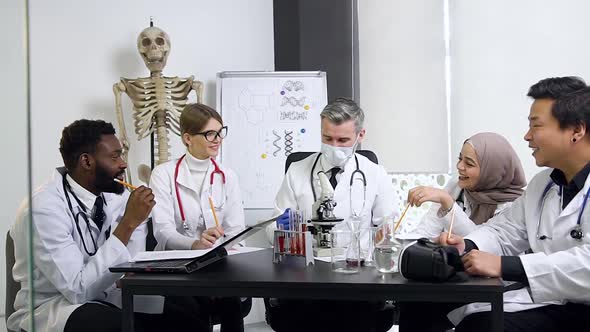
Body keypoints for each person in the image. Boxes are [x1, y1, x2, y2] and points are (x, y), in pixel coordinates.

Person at [400, 76, 590, 332]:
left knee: (483, 326)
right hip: (546, 298)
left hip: (581, 308)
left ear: (577, 130)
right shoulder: (543, 184)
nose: (527, 136)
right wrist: (466, 245)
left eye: (536, 126)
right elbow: (505, 230)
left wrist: (504, 265)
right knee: (421, 306)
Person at [7, 119, 205, 332]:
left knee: (187, 317)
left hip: (108, 293)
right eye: (114, 156)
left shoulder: (114, 195)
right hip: (56, 308)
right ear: (87, 161)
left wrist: (130, 269)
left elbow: (129, 263)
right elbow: (78, 290)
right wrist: (128, 223)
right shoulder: (42, 209)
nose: (123, 163)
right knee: (117, 326)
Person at [265, 97, 399, 332]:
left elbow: (388, 228)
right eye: (327, 138)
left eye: (343, 140)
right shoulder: (297, 171)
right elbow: (272, 228)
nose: (334, 146)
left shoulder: (375, 174)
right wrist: (280, 228)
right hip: (306, 279)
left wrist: (384, 237)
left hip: (357, 280)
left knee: (353, 317)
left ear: (360, 135)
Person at [149, 103, 246, 331]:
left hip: (218, 266)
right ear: (187, 138)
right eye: (209, 133)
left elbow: (236, 229)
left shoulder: (227, 176)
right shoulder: (163, 175)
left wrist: (228, 246)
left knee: (231, 298)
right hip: (177, 267)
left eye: (220, 132)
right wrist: (195, 244)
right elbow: (162, 231)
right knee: (192, 306)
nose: (217, 139)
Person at [408, 132, 526, 239]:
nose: (459, 166)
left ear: (491, 171)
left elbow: (484, 244)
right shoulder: (457, 186)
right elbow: (425, 232)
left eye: (469, 163)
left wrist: (448, 203)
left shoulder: (514, 206)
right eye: (460, 158)